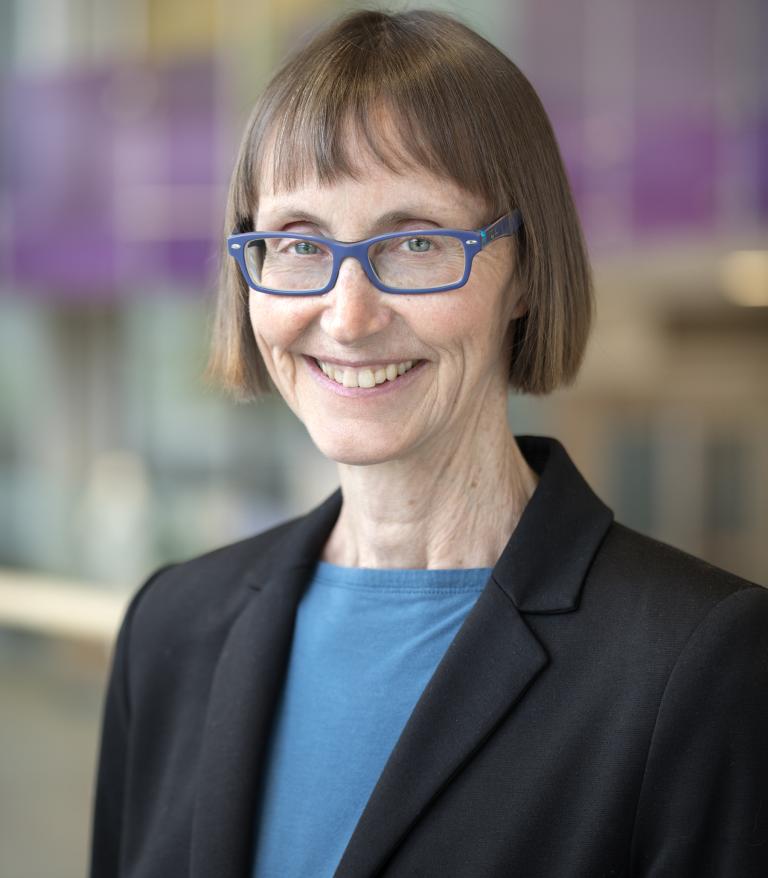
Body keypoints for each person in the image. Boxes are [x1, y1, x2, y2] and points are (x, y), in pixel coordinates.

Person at [89, 9, 768, 878]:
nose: (347, 313)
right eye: (298, 242)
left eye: (414, 241)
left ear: (523, 272)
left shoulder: (696, 664)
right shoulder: (170, 632)